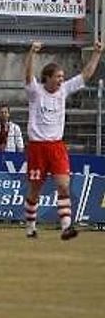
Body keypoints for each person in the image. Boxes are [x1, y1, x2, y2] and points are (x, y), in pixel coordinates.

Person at [22, 40, 103, 240]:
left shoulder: (63, 90)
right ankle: (30, 226)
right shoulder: (36, 92)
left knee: (63, 184)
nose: (61, 80)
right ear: (47, 78)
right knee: (35, 190)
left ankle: (66, 227)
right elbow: (28, 75)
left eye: (62, 77)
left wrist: (97, 54)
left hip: (56, 146)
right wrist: (32, 53)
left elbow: (85, 75)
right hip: (38, 147)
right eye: (58, 77)